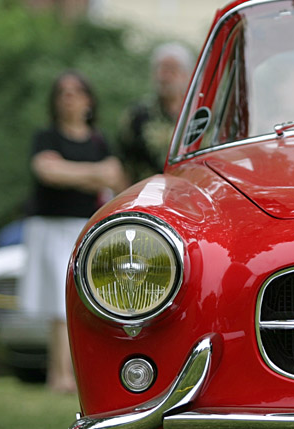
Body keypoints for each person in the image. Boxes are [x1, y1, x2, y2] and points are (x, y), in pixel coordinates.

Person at [23, 70, 127, 393]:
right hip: (51, 226)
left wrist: (73, 172)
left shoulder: (99, 140)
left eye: (75, 91)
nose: (69, 97)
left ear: (88, 99)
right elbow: (48, 172)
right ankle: (60, 374)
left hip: (86, 228)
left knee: (88, 300)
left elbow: (118, 180)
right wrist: (95, 174)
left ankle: (79, 373)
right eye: (63, 92)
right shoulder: (47, 137)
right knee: (58, 302)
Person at [119, 42, 193, 182]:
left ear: (187, 75)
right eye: (161, 69)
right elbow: (123, 161)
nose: (165, 76)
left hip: (191, 196)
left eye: (172, 70)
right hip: (147, 194)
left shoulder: (202, 115)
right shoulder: (137, 114)